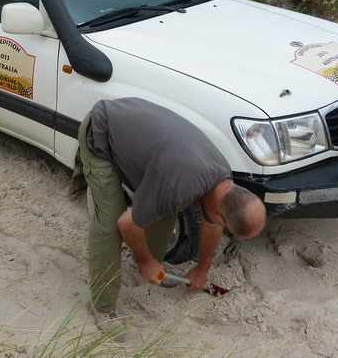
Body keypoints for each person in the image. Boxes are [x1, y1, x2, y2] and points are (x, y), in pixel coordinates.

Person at [79, 97, 266, 340]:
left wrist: (201, 270)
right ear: (223, 214)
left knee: (165, 209)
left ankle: (140, 263)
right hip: (101, 133)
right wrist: (147, 262)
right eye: (227, 227)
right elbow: (127, 223)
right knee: (110, 226)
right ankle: (102, 307)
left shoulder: (223, 183)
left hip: (141, 137)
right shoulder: (180, 188)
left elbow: (211, 225)